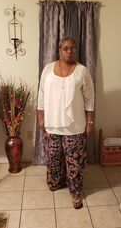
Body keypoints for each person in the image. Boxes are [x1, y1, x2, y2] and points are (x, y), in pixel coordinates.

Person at [37, 37, 94, 209]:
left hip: (75, 125)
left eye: (72, 48)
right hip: (52, 123)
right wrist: (41, 118)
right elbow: (41, 94)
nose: (69, 51)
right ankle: (56, 182)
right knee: (53, 157)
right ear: (59, 50)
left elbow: (90, 98)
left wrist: (90, 122)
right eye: (66, 48)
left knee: (74, 161)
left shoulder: (82, 71)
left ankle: (75, 191)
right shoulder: (48, 69)